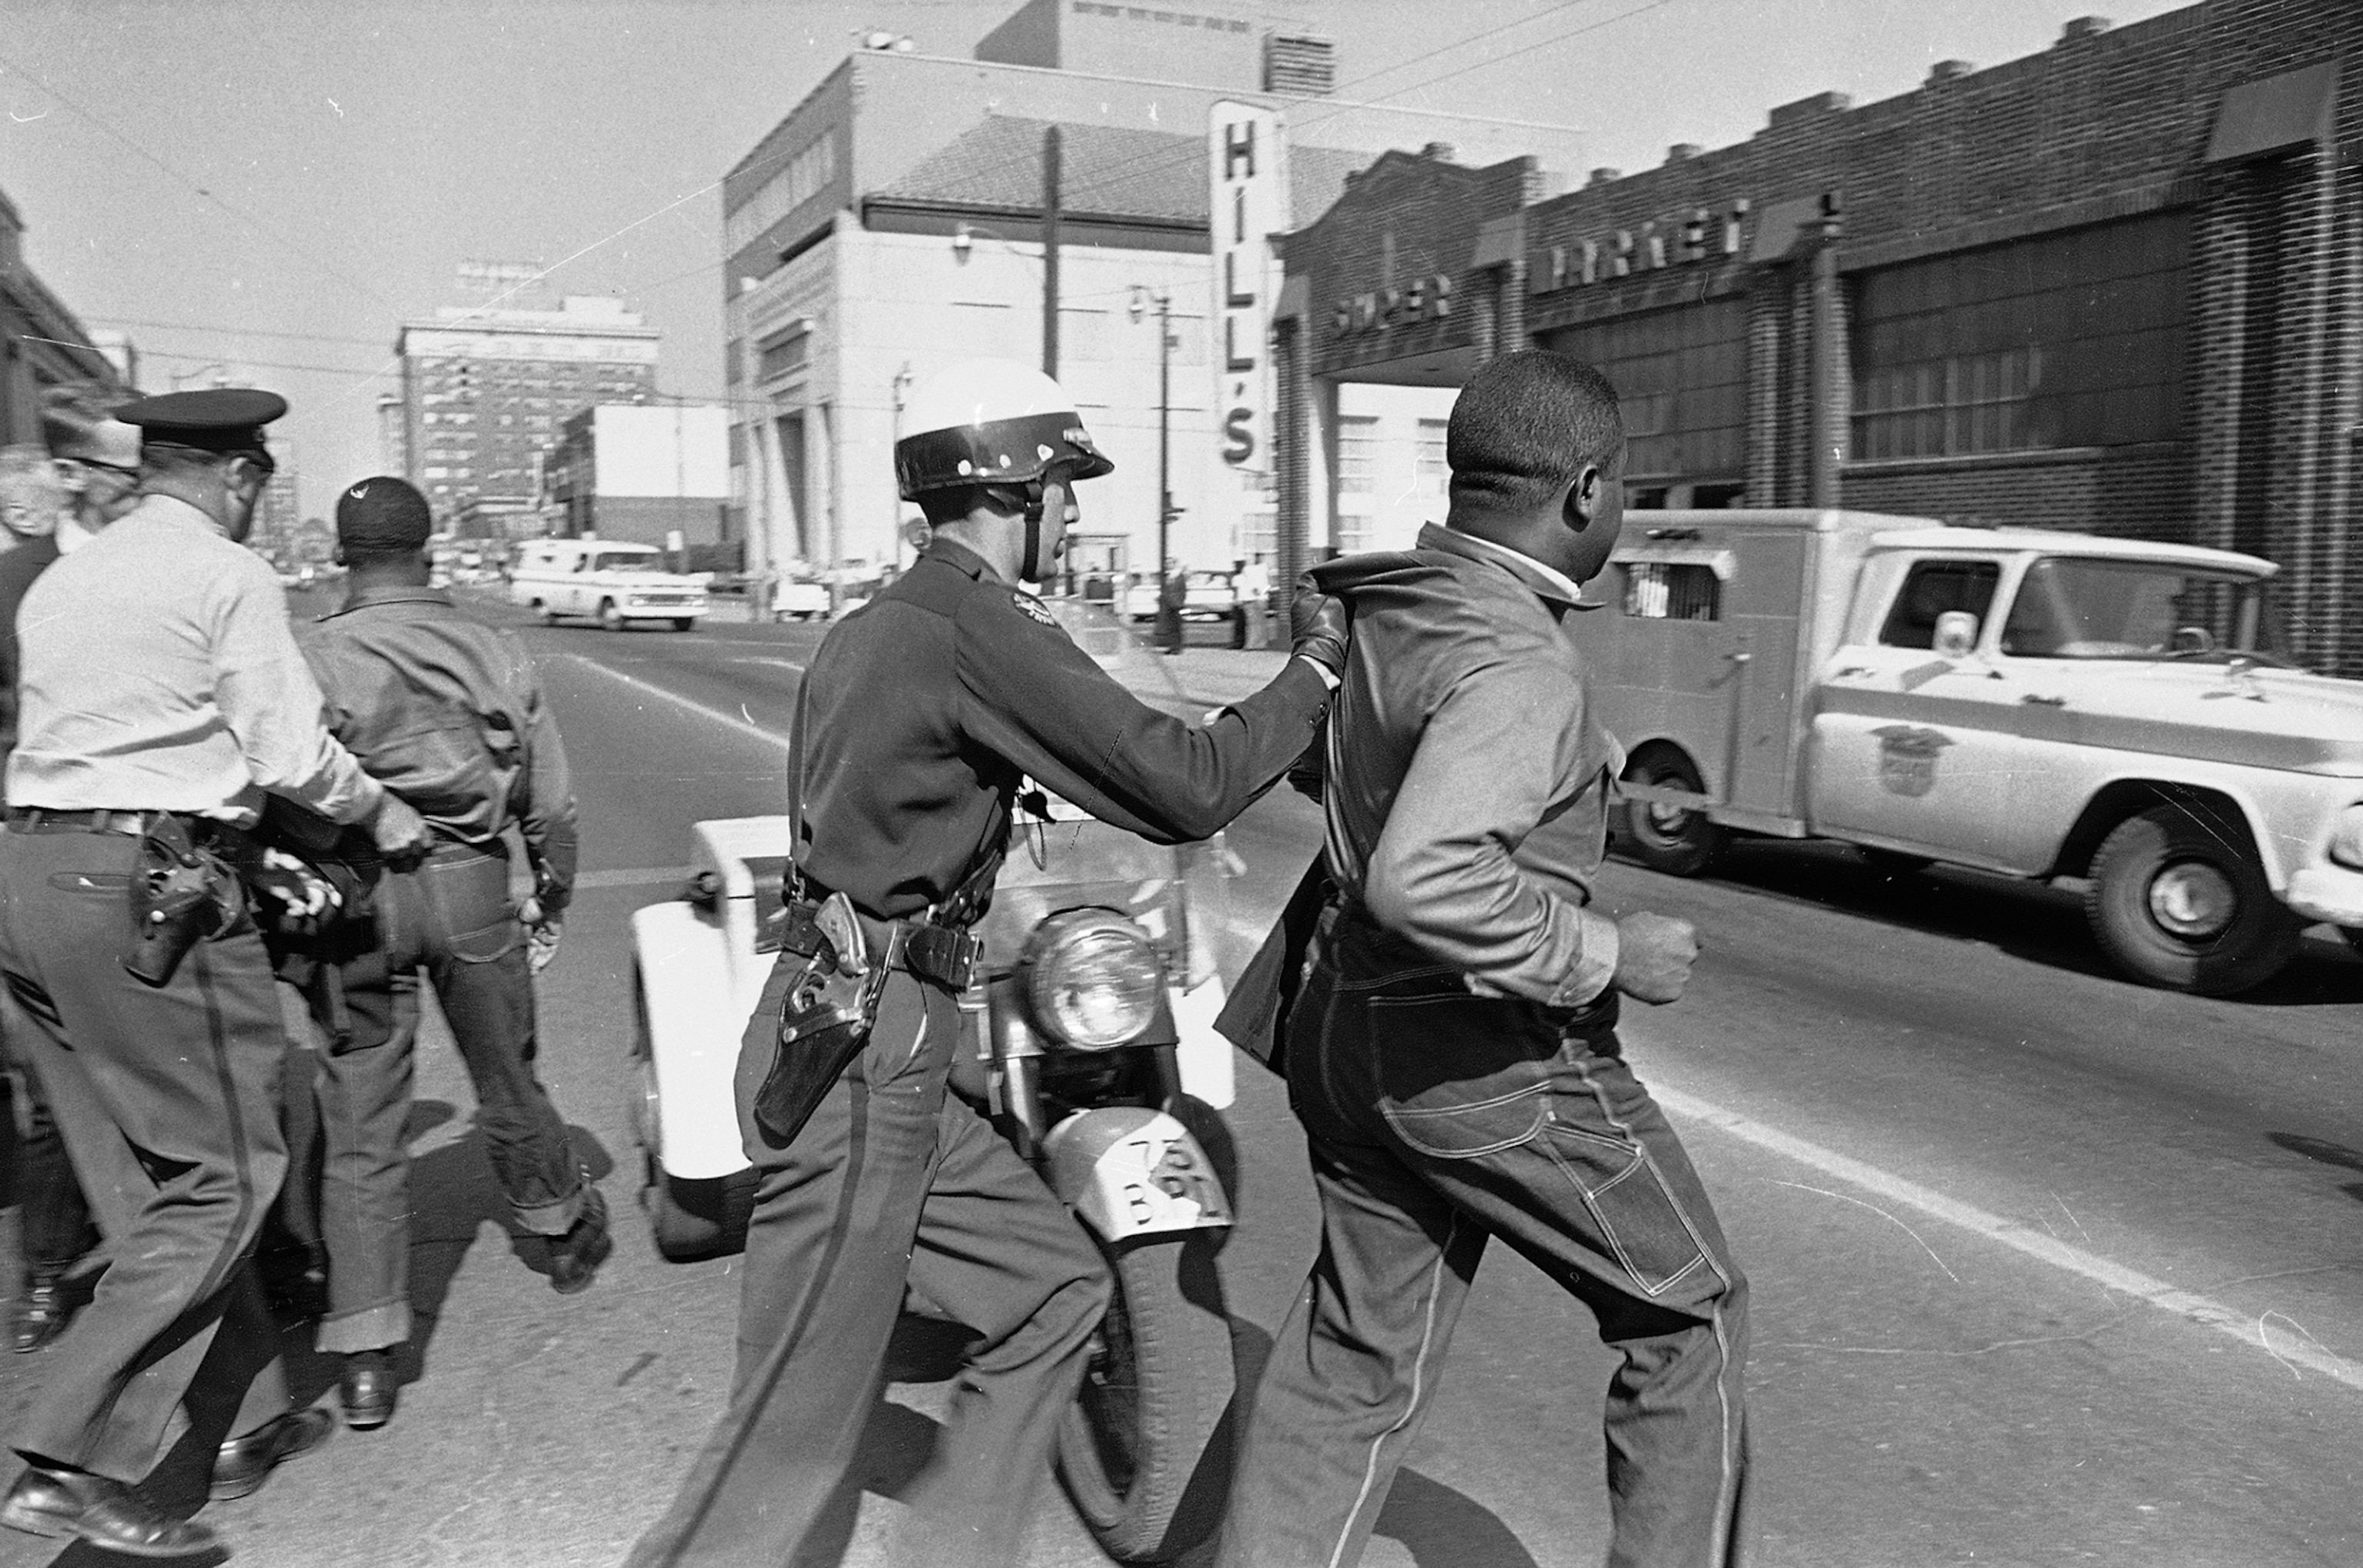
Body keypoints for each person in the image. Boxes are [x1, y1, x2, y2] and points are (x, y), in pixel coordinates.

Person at [625, 358, 1347, 1568]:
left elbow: (885, 795)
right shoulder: (975, 623)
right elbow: (1184, 783)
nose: (1072, 510)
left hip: (883, 1032)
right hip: (864, 1047)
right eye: (1064, 484)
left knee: (1055, 1292)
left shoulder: (880, 622)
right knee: (793, 1435)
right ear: (1014, 488)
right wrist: (1313, 672)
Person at [1215, 350, 1751, 1568]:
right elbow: (1428, 874)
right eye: (1620, 490)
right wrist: (1611, 950)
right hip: (1479, 1053)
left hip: (1342, 1022)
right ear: (1584, 493)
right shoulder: (1518, 658)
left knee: (1357, 1356)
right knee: (1690, 1314)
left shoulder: (1396, 601)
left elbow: (1337, 778)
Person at [0, 389, 434, 1560]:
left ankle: (234, 1423)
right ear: (240, 475)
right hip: (148, 893)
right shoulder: (225, 574)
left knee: (153, 1179)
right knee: (233, 1172)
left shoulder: (63, 579)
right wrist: (381, 816)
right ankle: (64, 1452)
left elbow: (128, 734)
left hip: (29, 879)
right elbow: (286, 751)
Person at [287, 474, 601, 1433]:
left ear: (344, 556)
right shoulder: (494, 647)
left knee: (363, 1113)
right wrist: (549, 887)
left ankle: (368, 1352)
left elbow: (289, 782)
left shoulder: (312, 653)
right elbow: (550, 803)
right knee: (508, 1072)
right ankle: (557, 1231)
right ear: (429, 551)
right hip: (468, 882)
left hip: (359, 894)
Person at [0, 385, 142, 1355]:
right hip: (44, 849)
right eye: (132, 475)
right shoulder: (15, 582)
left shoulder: (163, 570)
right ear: (75, 477)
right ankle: (48, 1273)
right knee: (55, 1083)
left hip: (152, 858)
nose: (147, 492)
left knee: (173, 1081)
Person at [1156, 554, 1188, 654]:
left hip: (1175, 605)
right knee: (1169, 627)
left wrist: (1179, 602)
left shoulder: (1179, 576)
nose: (1167, 565)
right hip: (1167, 605)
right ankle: (1172, 646)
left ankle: (1177, 648)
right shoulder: (1168, 576)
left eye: (1170, 563)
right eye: (1166, 563)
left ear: (1174, 564)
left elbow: (1182, 591)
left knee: (1176, 628)